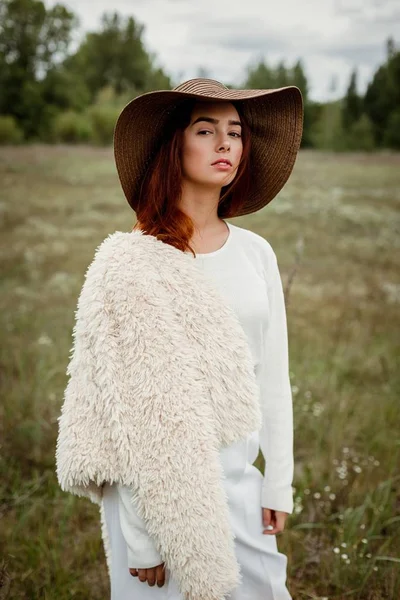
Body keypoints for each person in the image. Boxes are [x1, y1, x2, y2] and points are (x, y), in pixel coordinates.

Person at [56, 77, 303, 600]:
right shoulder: (128, 262)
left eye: (235, 132)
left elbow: (273, 375)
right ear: (175, 144)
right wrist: (143, 536)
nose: (225, 144)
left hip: (239, 482)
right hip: (154, 499)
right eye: (206, 129)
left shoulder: (256, 253)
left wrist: (278, 478)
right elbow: (126, 413)